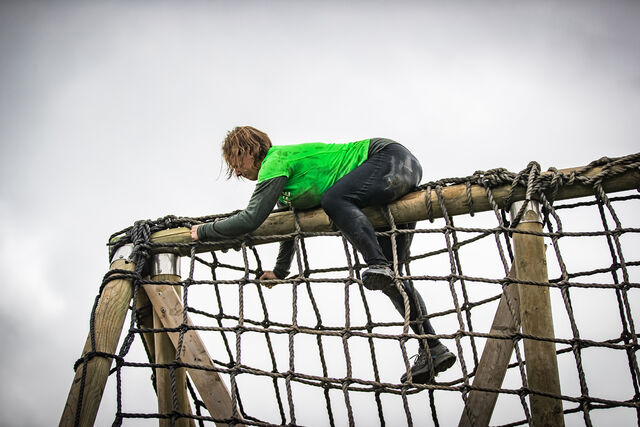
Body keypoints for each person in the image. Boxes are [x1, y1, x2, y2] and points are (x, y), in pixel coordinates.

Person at [190, 126, 456, 384]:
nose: (236, 171)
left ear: (250, 150)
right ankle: (432, 348)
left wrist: (203, 232)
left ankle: (377, 264)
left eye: (236, 161)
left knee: (334, 200)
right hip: (398, 173)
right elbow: (289, 227)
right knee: (393, 280)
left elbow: (251, 219)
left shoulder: (275, 161)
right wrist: (280, 271)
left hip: (388, 158)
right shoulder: (286, 190)